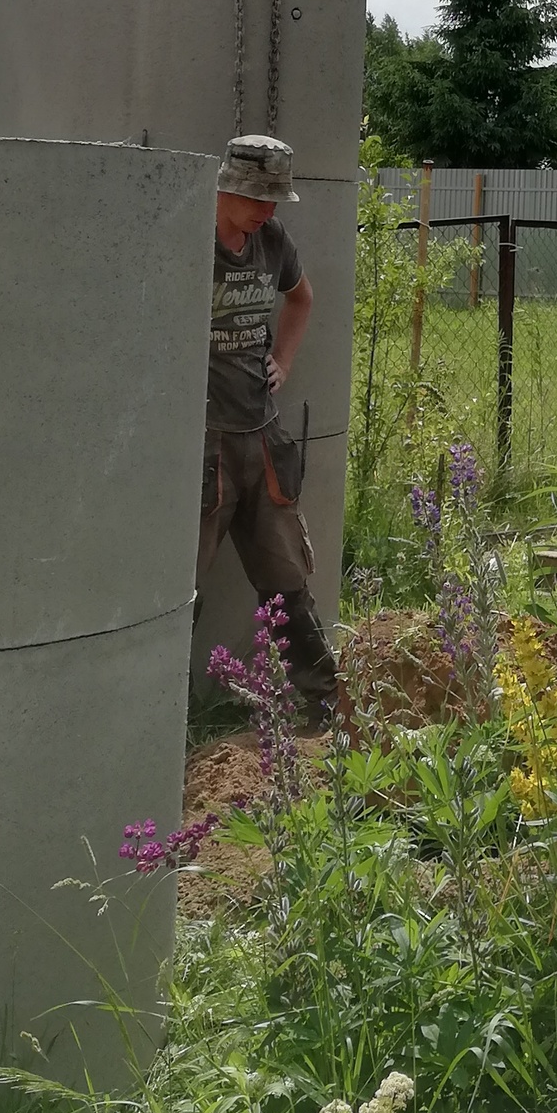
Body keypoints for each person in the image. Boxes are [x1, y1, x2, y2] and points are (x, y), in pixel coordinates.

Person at [200, 133, 339, 715]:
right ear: (227, 185)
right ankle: (157, 719)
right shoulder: (190, 240)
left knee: (286, 578)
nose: (267, 211)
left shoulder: (273, 240)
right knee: (177, 588)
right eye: (258, 198)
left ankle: (323, 708)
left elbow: (302, 299)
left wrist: (282, 361)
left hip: (261, 436)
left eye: (275, 200)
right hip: (201, 443)